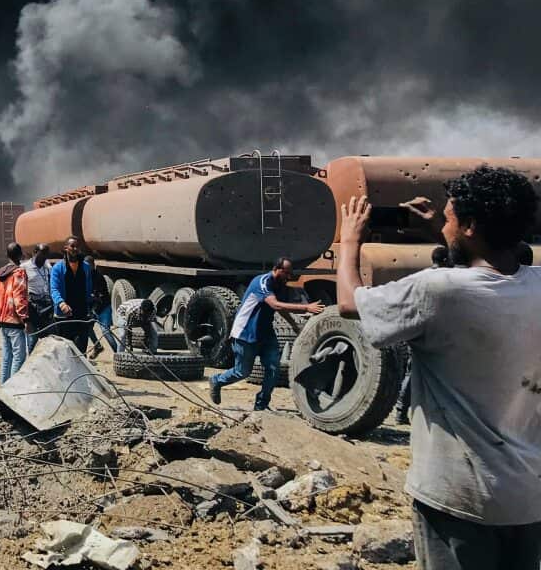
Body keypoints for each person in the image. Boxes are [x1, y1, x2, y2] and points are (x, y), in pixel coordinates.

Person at [337, 167, 541, 570]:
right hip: (527, 494)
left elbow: (349, 302)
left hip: (461, 496)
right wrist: (441, 230)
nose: (443, 225)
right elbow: (479, 276)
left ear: (469, 226)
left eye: (449, 219)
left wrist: (348, 242)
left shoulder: (435, 291)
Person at [209, 258, 325, 410]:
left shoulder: (281, 285)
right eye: (287, 273)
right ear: (277, 269)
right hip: (246, 332)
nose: (289, 277)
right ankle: (217, 381)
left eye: (291, 273)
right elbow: (274, 304)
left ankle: (261, 405)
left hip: (266, 333)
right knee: (242, 372)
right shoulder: (262, 282)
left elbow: (280, 309)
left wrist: (294, 326)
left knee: (273, 369)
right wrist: (306, 308)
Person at [395, 245, 452, 425]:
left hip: (417, 329)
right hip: (435, 332)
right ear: (445, 260)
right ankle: (405, 411)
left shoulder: (421, 277)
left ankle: (401, 412)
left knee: (413, 373)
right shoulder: (445, 279)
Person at [0, 242, 29, 382]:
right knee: (19, 356)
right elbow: (20, 298)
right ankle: (12, 389)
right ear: (20, 255)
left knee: (7, 356)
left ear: (7, 255)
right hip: (15, 321)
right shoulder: (19, 272)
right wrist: (25, 318)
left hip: (2, 321)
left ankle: (3, 386)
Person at [49, 236, 95, 353]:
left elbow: (88, 288)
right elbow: (54, 289)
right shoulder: (57, 268)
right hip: (64, 317)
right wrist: (61, 303)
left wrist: (91, 305)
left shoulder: (85, 267)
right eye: (72, 246)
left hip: (81, 315)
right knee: (65, 352)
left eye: (77, 246)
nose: (75, 249)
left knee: (80, 352)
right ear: (66, 248)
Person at [23, 243, 51, 353]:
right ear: (35, 253)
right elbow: (21, 292)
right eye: (42, 253)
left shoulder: (47, 267)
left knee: (47, 340)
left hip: (46, 307)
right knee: (33, 339)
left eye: (46, 254)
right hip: (32, 307)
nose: (44, 257)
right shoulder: (24, 267)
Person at [84, 255, 114, 359]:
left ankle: (118, 353)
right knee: (87, 328)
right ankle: (97, 346)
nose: (86, 268)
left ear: (93, 265)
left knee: (105, 331)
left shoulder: (98, 277)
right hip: (93, 308)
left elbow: (100, 297)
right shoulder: (83, 277)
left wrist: (93, 309)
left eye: (88, 266)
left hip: (103, 307)